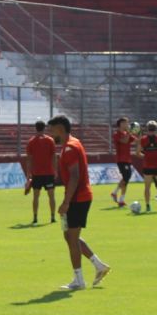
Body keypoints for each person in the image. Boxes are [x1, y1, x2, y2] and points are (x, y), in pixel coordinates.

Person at [49, 115, 110, 291]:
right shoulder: (74, 142)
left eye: (52, 130)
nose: (51, 135)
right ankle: (99, 266)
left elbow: (74, 176)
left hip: (77, 198)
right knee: (69, 236)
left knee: (72, 238)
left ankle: (79, 280)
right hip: (80, 196)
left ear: (60, 128)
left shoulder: (69, 148)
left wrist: (66, 202)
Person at [22, 119, 57, 224]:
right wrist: (55, 171)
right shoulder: (50, 140)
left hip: (36, 173)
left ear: (35, 128)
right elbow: (54, 157)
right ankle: (52, 217)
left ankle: (35, 218)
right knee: (51, 196)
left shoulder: (31, 142)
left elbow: (29, 159)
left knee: (36, 196)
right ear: (44, 128)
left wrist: (28, 174)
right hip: (49, 173)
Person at [108, 117, 137, 207]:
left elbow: (136, 141)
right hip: (121, 159)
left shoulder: (126, 133)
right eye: (126, 123)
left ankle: (117, 196)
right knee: (126, 177)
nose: (127, 125)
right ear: (121, 124)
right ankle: (119, 198)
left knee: (126, 179)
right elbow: (124, 141)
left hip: (127, 159)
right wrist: (129, 132)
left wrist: (138, 132)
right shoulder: (117, 134)